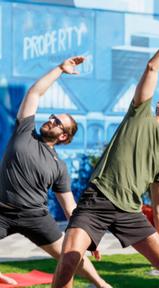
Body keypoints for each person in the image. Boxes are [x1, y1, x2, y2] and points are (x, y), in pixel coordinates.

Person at [52, 19, 159, 288]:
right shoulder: (139, 114)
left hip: (130, 211)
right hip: (97, 200)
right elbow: (153, 67)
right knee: (70, 258)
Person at [0, 57, 111, 288]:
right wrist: (60, 69)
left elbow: (70, 209)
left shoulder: (59, 167)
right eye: (51, 117)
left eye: (57, 122)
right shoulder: (25, 131)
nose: (50, 120)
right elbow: (34, 94)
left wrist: (87, 239)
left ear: (63, 136)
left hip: (34, 216)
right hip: (2, 210)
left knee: (69, 255)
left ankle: (100, 284)